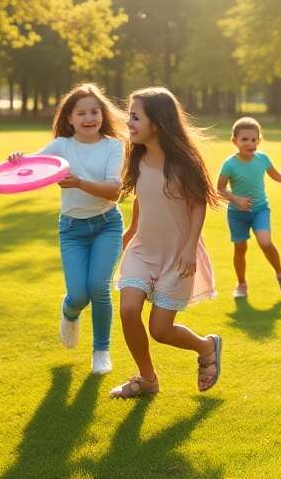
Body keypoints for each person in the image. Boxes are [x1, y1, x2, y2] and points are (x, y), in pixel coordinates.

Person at [6, 83, 126, 375]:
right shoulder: (62, 146)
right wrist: (18, 159)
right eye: (81, 113)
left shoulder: (114, 147)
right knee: (78, 296)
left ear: (102, 114)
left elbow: (114, 192)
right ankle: (69, 311)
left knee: (98, 288)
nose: (89, 118)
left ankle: (101, 350)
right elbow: (31, 166)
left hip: (106, 226)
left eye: (95, 111)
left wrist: (79, 182)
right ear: (69, 118)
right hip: (72, 230)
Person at [110, 87, 221, 399]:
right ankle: (147, 379)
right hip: (142, 250)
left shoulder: (183, 163)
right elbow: (143, 197)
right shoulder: (137, 156)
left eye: (135, 117)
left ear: (156, 123)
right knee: (129, 310)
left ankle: (206, 347)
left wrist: (189, 247)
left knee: (160, 330)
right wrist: (130, 232)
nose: (128, 123)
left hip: (177, 255)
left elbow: (199, 204)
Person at [216, 116, 281, 299]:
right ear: (234, 141)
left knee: (265, 242)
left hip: (260, 210)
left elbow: (277, 176)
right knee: (240, 248)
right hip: (237, 214)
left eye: (253, 139)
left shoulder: (262, 159)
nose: (250, 143)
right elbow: (220, 189)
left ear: (259, 140)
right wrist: (236, 199)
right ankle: (241, 285)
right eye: (244, 139)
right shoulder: (229, 164)